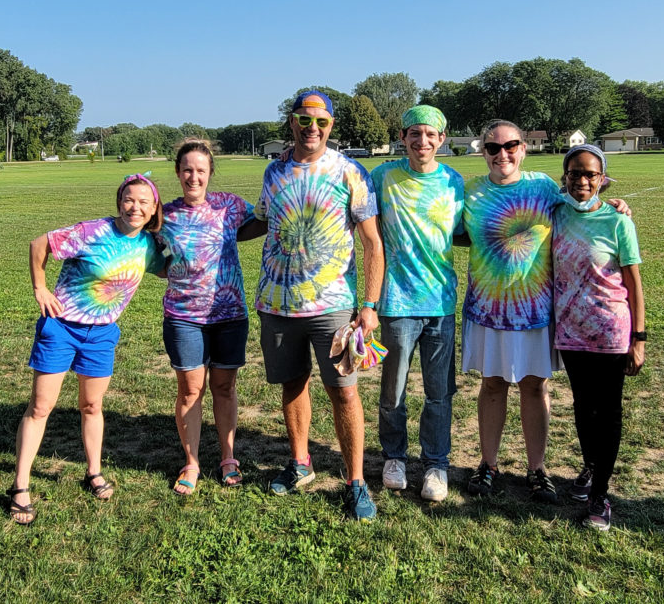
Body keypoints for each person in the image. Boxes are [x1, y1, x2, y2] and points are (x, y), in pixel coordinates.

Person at [461, 120, 629, 503]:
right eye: (492, 147)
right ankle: (488, 464)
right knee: (492, 385)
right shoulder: (470, 192)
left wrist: (616, 205)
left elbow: (583, 200)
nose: (502, 154)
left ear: (523, 149)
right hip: (488, 309)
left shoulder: (543, 187)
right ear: (482, 151)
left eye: (511, 146)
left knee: (535, 387)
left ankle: (537, 470)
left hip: (536, 310)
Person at [255, 90, 384, 521]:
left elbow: (371, 243)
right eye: (304, 120)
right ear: (291, 121)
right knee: (292, 384)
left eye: (321, 122)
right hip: (277, 303)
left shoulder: (350, 171)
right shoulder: (273, 172)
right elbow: (260, 220)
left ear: (331, 125)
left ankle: (356, 482)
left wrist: (369, 304)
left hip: (332, 306)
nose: (313, 129)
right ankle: (301, 464)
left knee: (343, 393)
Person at [8, 174, 165, 524]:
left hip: (102, 333)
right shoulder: (92, 231)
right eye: (128, 199)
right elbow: (39, 244)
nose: (134, 207)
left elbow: (170, 269)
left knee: (92, 405)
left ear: (154, 208)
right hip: (61, 327)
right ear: (119, 201)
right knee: (40, 407)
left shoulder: (148, 245)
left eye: (143, 201)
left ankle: (93, 472)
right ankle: (20, 485)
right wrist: (40, 288)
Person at [157, 138, 265, 495]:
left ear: (210, 173)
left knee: (224, 386)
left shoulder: (229, 205)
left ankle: (228, 456)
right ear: (177, 172)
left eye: (200, 170)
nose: (193, 177)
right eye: (187, 169)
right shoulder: (163, 214)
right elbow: (143, 247)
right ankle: (191, 462)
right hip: (183, 315)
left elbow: (261, 220)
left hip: (229, 314)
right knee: (190, 390)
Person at [370, 105, 464, 502]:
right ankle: (394, 457)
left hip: (441, 303)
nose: (422, 141)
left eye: (430, 134)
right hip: (395, 302)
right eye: (414, 133)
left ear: (442, 139)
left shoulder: (454, 182)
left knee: (439, 393)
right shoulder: (382, 176)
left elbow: (473, 227)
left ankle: (435, 465)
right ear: (403, 137)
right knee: (393, 390)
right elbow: (340, 180)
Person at [553, 144, 645, 531]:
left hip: (610, 332)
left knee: (607, 412)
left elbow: (634, 284)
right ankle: (590, 467)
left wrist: (639, 339)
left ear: (603, 179)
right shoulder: (555, 213)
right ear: (565, 178)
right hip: (570, 331)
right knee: (581, 405)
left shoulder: (618, 222)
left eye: (591, 174)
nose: (583, 180)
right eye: (575, 173)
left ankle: (600, 496)